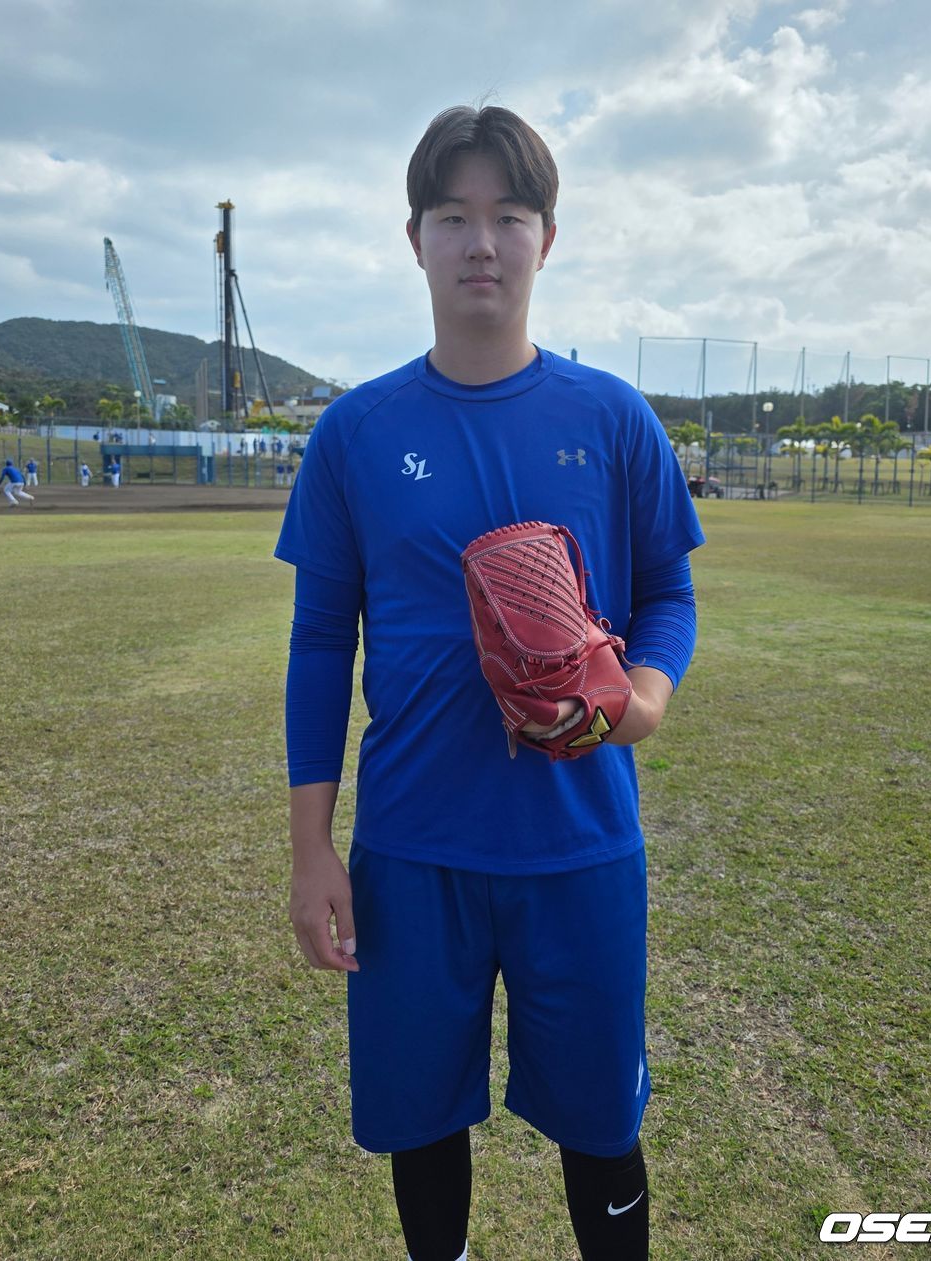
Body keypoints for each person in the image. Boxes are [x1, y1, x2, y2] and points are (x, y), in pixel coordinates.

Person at [275, 104, 704, 1261]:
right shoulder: (356, 432)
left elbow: (668, 590)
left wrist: (646, 694)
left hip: (578, 840)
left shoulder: (610, 418)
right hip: (414, 846)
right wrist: (315, 849)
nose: (481, 242)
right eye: (453, 216)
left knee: (601, 1123)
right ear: (413, 237)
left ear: (545, 238)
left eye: (507, 216)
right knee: (424, 1118)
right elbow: (321, 645)